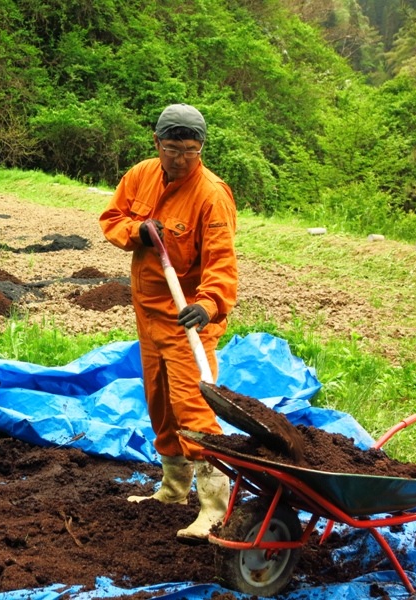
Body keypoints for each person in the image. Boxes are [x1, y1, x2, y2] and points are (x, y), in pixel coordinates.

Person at [99, 104, 238, 541]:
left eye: (191, 151)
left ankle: (215, 507)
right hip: (148, 316)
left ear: (202, 150)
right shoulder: (140, 175)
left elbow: (221, 261)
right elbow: (112, 219)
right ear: (157, 143)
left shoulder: (211, 195)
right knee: (160, 406)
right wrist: (137, 231)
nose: (181, 159)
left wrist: (210, 304)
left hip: (188, 322)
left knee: (193, 410)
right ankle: (173, 490)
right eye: (173, 148)